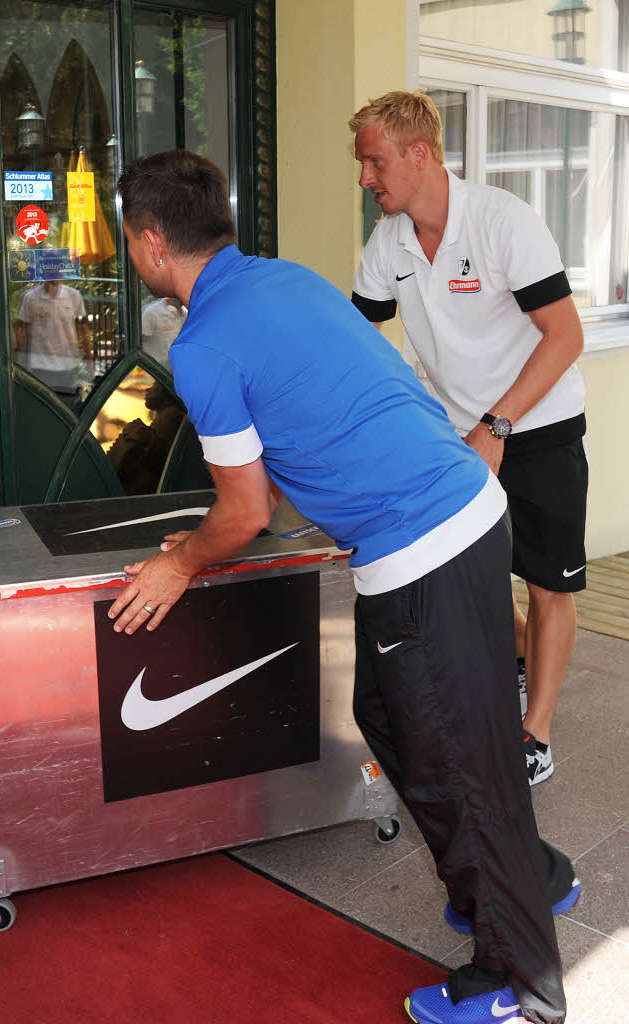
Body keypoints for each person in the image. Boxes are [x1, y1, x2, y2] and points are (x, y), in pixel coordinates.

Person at [107, 149, 580, 1024]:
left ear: (145, 244)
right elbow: (299, 432)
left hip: (421, 542)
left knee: (447, 757)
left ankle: (519, 983)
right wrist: (218, 532)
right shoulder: (281, 281)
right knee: (410, 719)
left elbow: (243, 510)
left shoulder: (204, 343)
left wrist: (182, 559)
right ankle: (528, 878)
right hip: (468, 511)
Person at [349, 91, 588, 787]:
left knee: (547, 585)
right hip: (457, 438)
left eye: (374, 160)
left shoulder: (500, 222)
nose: (365, 176)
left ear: (417, 154)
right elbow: (355, 337)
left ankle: (533, 733)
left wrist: (497, 424)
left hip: (535, 428)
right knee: (474, 576)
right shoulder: (388, 240)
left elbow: (565, 336)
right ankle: (516, 659)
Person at [13, 277, 93, 406]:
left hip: (68, 365)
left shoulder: (74, 296)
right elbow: (21, 332)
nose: (54, 276)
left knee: (69, 408)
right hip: (41, 367)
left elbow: (83, 330)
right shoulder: (30, 298)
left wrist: (89, 362)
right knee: (44, 408)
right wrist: (20, 363)